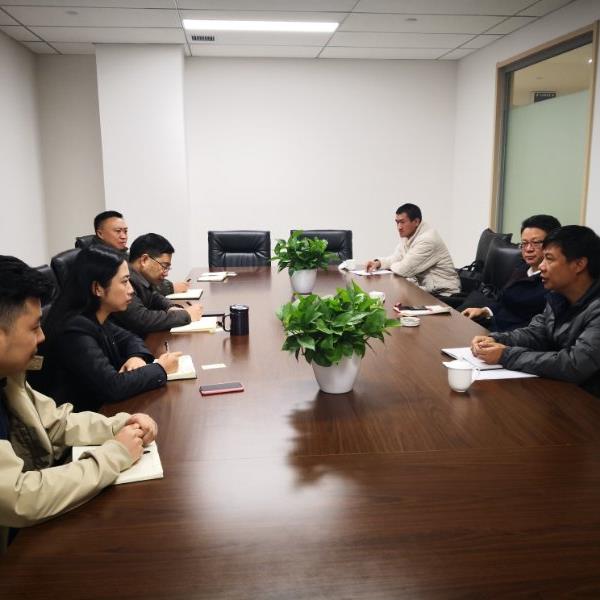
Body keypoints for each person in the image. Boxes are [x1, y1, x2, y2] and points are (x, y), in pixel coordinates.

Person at [0, 255, 158, 553]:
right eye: (34, 328)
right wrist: (115, 454)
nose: (42, 337)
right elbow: (19, 498)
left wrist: (120, 424)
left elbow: (55, 422)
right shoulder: (73, 327)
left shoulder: (8, 375)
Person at [40, 245, 181, 412]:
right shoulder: (74, 329)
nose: (131, 290)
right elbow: (112, 387)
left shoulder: (95, 313)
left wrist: (136, 356)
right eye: (124, 282)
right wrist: (161, 368)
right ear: (98, 288)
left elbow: (130, 338)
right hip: (85, 417)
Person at [471, 225, 600, 397]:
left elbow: (575, 365)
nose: (542, 267)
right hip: (562, 390)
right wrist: (496, 339)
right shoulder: (558, 296)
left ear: (579, 264)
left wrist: (505, 355)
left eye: (549, 259)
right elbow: (536, 333)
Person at [460, 214, 561, 331]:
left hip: (512, 335)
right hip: (494, 327)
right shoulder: (522, 268)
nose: (528, 249)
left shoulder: (553, 281)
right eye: (524, 243)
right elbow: (504, 301)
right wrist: (485, 311)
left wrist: (498, 337)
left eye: (536, 243)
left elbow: (533, 325)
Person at [111, 233, 202, 337]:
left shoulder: (141, 278)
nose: (166, 273)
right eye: (164, 266)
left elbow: (154, 297)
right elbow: (141, 319)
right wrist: (186, 315)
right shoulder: (125, 281)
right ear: (144, 260)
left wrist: (171, 307)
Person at [82, 210, 189, 295]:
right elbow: (136, 286)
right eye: (118, 231)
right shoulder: (96, 261)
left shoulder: (122, 254)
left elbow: (144, 278)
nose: (124, 236)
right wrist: (171, 288)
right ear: (100, 234)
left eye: (125, 231)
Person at [365, 203, 460, 295]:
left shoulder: (427, 240)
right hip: (429, 290)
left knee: (395, 299)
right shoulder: (408, 236)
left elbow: (403, 270)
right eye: (397, 222)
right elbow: (396, 258)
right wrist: (378, 263)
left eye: (402, 222)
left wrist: (392, 266)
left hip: (445, 294)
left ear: (416, 222)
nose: (399, 227)